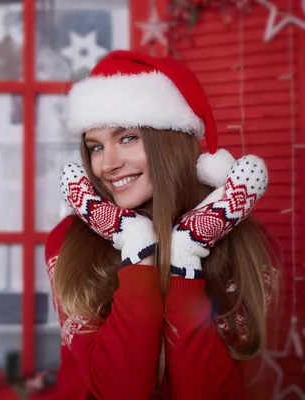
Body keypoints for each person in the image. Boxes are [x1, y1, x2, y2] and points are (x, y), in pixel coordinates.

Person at [39, 50, 278, 400]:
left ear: (170, 141)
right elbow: (120, 392)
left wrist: (186, 253)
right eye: (95, 147)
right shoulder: (69, 241)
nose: (107, 164)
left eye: (127, 138)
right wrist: (137, 245)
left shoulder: (246, 244)